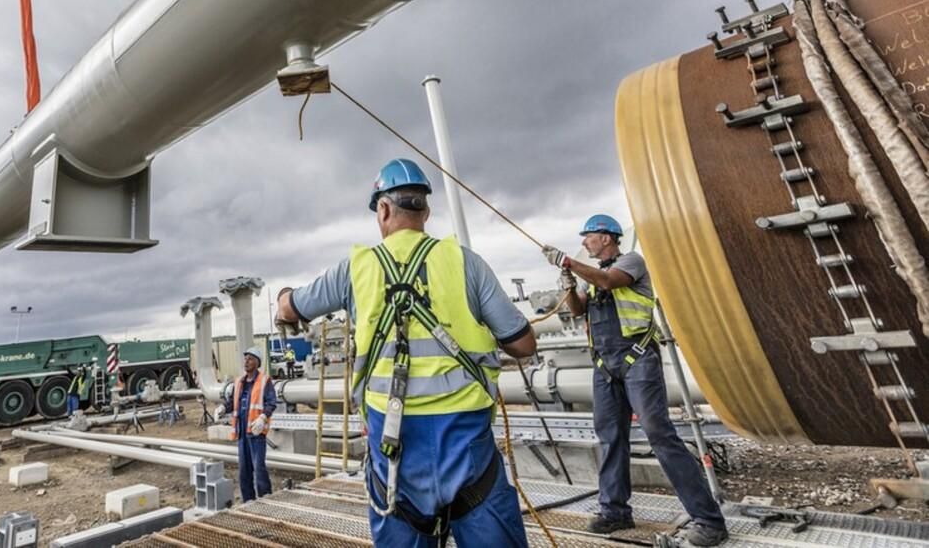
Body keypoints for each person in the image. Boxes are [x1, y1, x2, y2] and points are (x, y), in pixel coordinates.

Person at [277, 158, 536, 548]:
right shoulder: (466, 263)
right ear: (426, 211)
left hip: (393, 447)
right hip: (466, 445)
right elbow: (523, 344)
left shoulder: (355, 270)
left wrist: (283, 298)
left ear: (382, 209)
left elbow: (289, 309)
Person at [543, 215, 728, 547]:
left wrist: (569, 261)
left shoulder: (631, 262)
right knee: (610, 437)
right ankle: (614, 511)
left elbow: (611, 282)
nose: (585, 242)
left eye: (589, 237)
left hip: (637, 358)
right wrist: (568, 283)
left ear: (607, 237)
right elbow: (577, 309)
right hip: (604, 365)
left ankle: (709, 521)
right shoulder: (591, 276)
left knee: (660, 434)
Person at [232, 345, 277, 501]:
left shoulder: (264, 380)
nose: (246, 361)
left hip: (256, 433)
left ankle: (266, 500)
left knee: (259, 469)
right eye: (245, 358)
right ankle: (248, 502)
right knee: (244, 471)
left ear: (257, 363)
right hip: (242, 433)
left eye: (250, 359)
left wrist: (263, 417)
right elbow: (232, 401)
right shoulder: (239, 382)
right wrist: (223, 407)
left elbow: (271, 402)